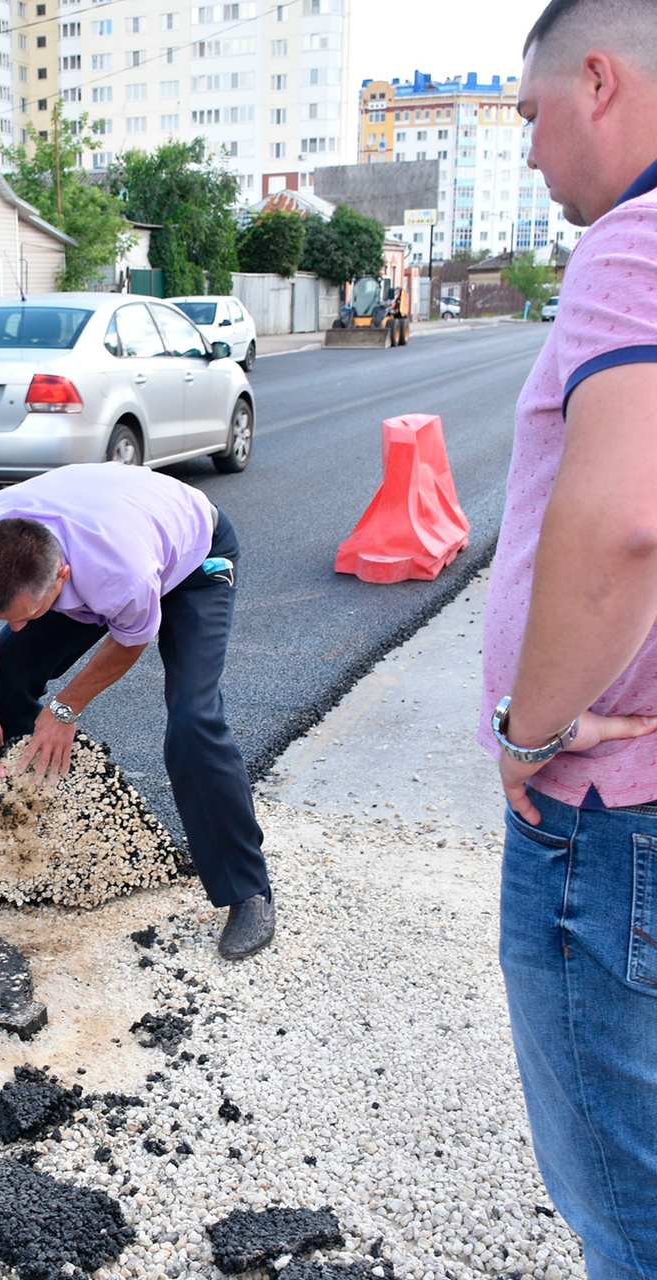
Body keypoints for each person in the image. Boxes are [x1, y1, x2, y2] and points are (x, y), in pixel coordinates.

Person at [479, 1, 657, 1274]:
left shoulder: (633, 244)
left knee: (623, 1204)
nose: (530, 155)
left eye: (530, 115)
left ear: (597, 81)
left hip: (602, 812)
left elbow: (622, 523)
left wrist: (525, 731)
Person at [0, 462, 274, 958]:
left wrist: (63, 709)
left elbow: (129, 639)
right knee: (6, 674)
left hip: (193, 560)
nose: (22, 626)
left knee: (192, 720)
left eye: (29, 615)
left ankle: (248, 890)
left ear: (62, 578)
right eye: (8, 617)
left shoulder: (122, 575)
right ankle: (29, 820)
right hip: (103, 544)